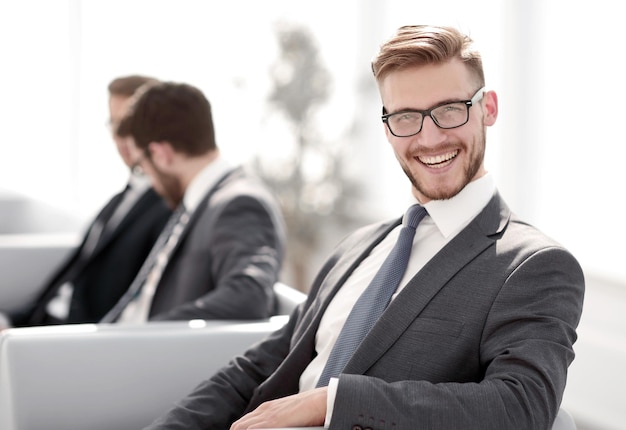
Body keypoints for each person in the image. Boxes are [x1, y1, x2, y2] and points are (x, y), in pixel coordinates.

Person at [143, 25, 585, 430]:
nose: (430, 139)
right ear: (388, 127)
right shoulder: (360, 246)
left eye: (450, 110)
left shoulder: (534, 266)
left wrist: (329, 403)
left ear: (487, 108)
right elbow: (259, 369)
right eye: (406, 117)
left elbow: (520, 407)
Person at [103, 81, 286, 323]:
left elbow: (248, 297)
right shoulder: (198, 201)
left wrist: (148, 333)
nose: (147, 178)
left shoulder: (239, 203)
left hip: (152, 352)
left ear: (162, 154)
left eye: (141, 166)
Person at [8, 75, 172, 327]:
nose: (120, 137)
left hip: (71, 337)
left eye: (128, 125)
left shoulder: (165, 207)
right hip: (38, 325)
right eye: (114, 125)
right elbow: (70, 278)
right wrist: (10, 322)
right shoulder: (120, 200)